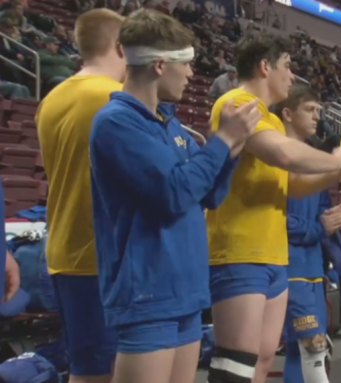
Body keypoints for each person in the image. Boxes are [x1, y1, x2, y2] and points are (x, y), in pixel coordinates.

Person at [89, 9, 259, 383]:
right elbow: (174, 194)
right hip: (148, 296)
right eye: (188, 64)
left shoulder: (172, 125)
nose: (192, 74)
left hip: (186, 292)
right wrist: (224, 140)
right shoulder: (116, 122)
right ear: (161, 66)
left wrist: (231, 150)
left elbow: (209, 195)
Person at [205, 31, 341, 383]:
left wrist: (340, 169)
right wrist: (336, 157)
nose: (292, 76)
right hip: (239, 250)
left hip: (274, 253)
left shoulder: (274, 120)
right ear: (265, 66)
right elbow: (282, 153)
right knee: (237, 364)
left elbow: (291, 181)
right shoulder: (235, 103)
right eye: (287, 66)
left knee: (263, 359)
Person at [34, 9, 126, 383]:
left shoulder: (52, 98)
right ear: (122, 47)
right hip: (101, 256)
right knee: (104, 372)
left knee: (86, 367)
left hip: (64, 252)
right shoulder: (115, 99)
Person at [274, 84, 341, 383]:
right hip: (288, 264)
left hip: (313, 267)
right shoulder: (274, 156)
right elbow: (275, 219)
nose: (317, 118)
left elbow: (319, 210)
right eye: (310, 110)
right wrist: (318, 227)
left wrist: (334, 216)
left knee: (311, 352)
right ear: (287, 113)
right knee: (312, 350)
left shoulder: (311, 157)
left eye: (319, 111)